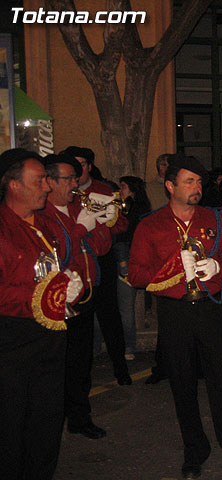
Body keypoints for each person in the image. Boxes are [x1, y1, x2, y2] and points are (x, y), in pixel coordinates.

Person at [129, 153, 222, 478]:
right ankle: (194, 450)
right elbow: (135, 274)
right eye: (189, 181)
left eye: (199, 182)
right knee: (183, 384)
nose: (196, 187)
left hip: (210, 309)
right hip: (174, 312)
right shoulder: (151, 225)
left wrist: (219, 266)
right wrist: (171, 269)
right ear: (169, 185)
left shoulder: (214, 219)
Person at [0, 148, 84, 480]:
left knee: (48, 421)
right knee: (11, 425)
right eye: (39, 180)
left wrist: (68, 283)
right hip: (14, 341)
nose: (47, 187)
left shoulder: (46, 223)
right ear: (14, 185)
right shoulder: (4, 229)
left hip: (51, 337)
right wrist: (48, 295)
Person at [42, 153, 113, 441]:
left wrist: (94, 225)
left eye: (75, 177)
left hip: (85, 293)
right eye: (68, 178)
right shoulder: (44, 213)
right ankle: (52, 421)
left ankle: (80, 417)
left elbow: (103, 245)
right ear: (50, 181)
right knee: (58, 365)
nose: (75, 183)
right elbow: (57, 248)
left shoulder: (77, 206)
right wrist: (82, 228)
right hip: (59, 299)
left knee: (81, 363)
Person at [61, 146, 132, 385]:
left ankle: (121, 369)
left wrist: (106, 222)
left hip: (101, 259)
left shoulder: (102, 189)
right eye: (73, 166)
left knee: (109, 315)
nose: (78, 170)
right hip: (77, 261)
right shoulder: (63, 193)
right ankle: (82, 375)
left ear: (89, 167)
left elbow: (121, 225)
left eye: (82, 164)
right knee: (80, 321)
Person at [114, 176, 151, 359]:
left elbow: (122, 238)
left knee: (125, 307)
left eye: (123, 187)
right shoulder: (141, 209)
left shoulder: (130, 210)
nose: (120, 191)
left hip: (127, 260)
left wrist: (123, 263)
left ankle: (129, 346)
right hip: (132, 259)